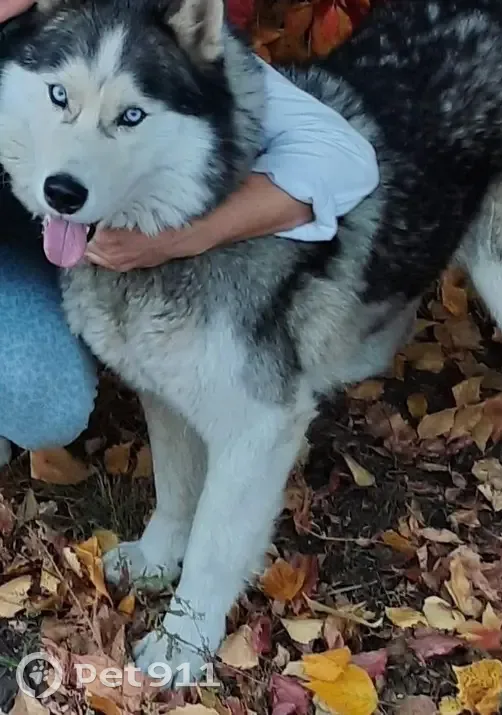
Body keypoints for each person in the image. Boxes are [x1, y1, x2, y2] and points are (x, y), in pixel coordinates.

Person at [0, 0, 379, 465]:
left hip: (19, 253)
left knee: (44, 402)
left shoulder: (109, 28)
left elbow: (342, 156)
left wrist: (178, 239)